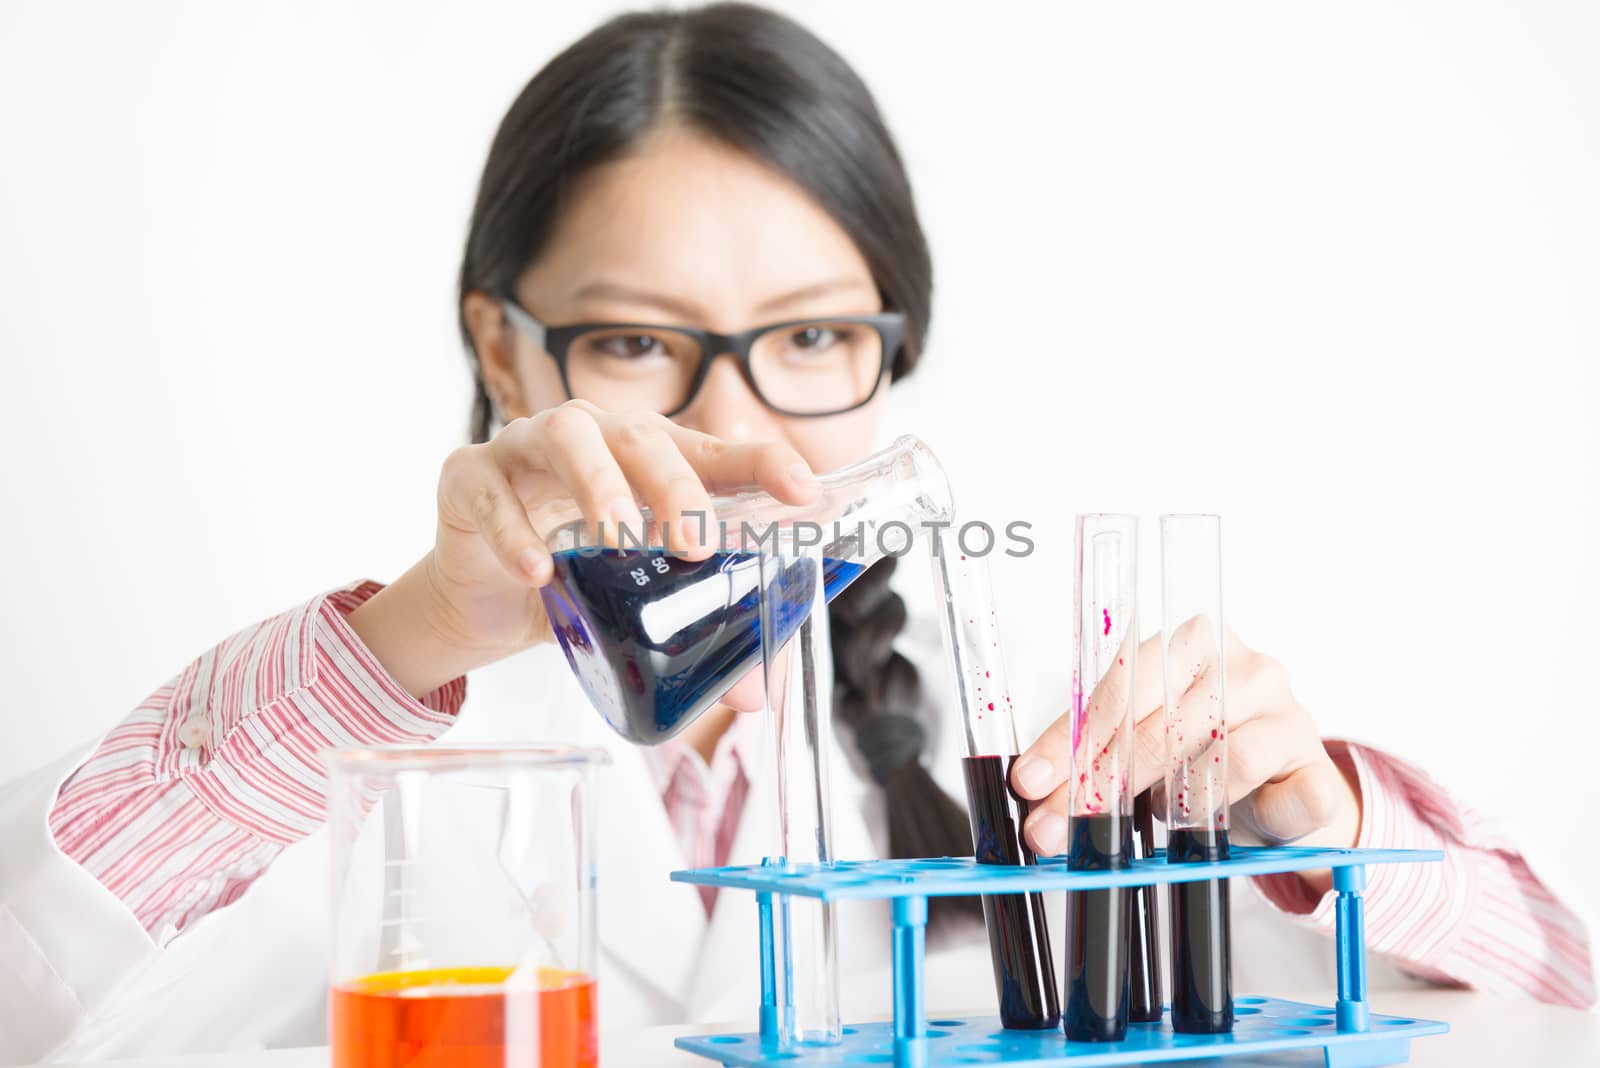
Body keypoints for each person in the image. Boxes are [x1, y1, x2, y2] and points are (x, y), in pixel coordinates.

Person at [0, 3, 1591, 1062]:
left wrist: (1317, 835)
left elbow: (1554, 995)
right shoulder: (368, 725)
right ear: (504, 351)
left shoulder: (1037, 712)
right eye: (638, 343)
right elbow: (29, 982)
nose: (745, 434)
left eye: (814, 340)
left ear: (894, 352)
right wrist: (411, 634)